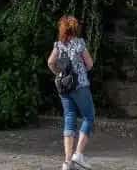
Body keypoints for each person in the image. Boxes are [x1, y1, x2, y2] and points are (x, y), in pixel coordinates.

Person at [47, 15, 95, 170]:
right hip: (80, 86)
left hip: (64, 87)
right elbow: (89, 63)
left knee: (69, 118)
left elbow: (50, 62)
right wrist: (81, 72)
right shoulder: (79, 43)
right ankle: (78, 155)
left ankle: (67, 162)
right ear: (75, 29)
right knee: (89, 116)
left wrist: (58, 73)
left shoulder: (58, 45)